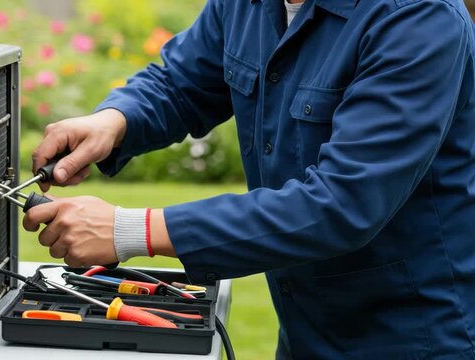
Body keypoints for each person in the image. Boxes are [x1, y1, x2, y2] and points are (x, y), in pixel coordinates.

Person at [23, 0, 475, 358]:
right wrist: (114, 121)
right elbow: (181, 84)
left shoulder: (418, 18)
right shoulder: (247, 4)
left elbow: (342, 204)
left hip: (411, 336)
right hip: (305, 327)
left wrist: (129, 229)